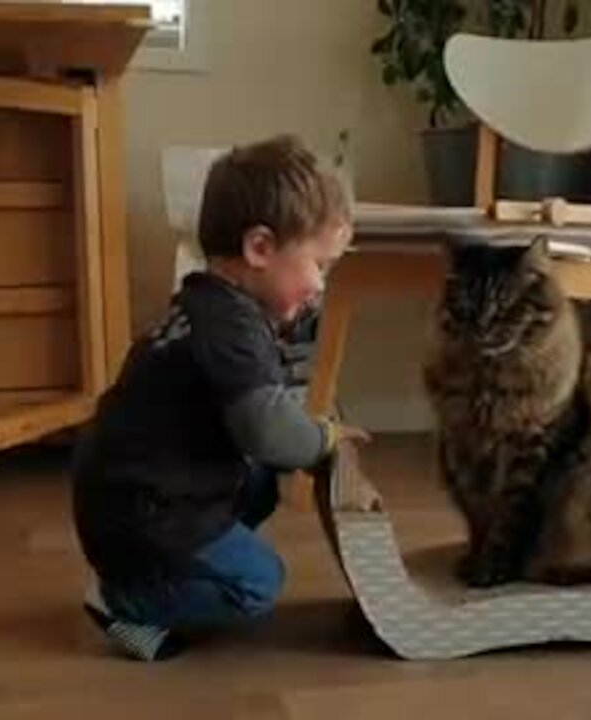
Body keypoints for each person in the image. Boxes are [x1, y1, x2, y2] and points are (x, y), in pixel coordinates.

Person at [71, 135, 371, 661]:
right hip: (147, 512)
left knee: (258, 483)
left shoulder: (210, 304)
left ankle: (169, 568)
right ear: (260, 248)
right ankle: (126, 599)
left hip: (130, 494)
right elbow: (270, 432)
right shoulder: (231, 328)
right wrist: (324, 435)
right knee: (258, 584)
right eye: (319, 265)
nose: (321, 286)